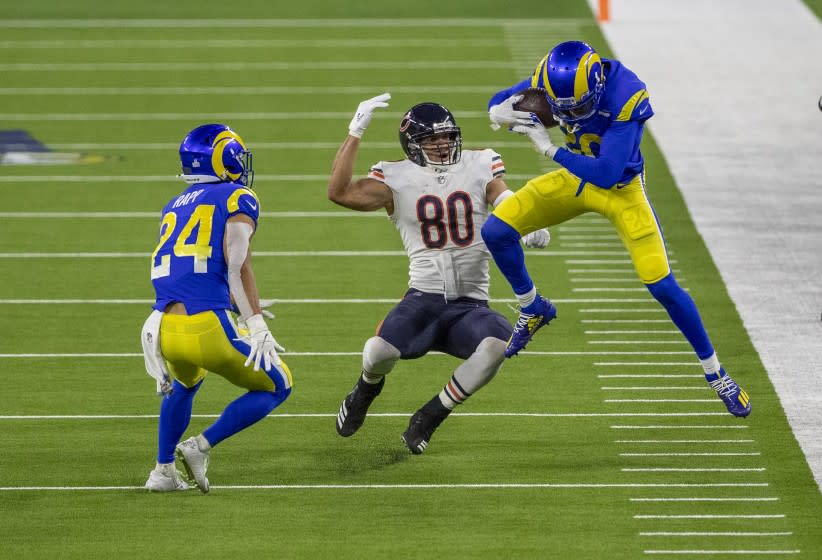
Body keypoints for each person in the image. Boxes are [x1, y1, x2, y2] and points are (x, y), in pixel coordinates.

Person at [480, 40, 751, 417]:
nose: (572, 113)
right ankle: (533, 306)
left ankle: (716, 373)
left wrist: (549, 149)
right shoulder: (552, 80)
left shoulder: (626, 92)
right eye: (565, 108)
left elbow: (607, 174)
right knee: (496, 233)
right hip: (576, 178)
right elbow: (500, 100)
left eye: (579, 105)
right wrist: (501, 110)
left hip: (621, 189)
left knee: (662, 286)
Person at [328, 94, 550, 453]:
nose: (442, 145)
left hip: (471, 305)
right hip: (423, 299)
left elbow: (502, 195)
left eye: (447, 137)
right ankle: (365, 389)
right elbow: (338, 192)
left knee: (498, 345)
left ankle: (429, 417)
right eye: (432, 139)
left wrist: (521, 220)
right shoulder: (396, 176)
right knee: (377, 352)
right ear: (413, 144)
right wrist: (356, 129)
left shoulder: (480, 163)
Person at [140, 123, 293, 492]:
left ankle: (162, 472)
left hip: (164, 327)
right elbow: (238, 264)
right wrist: (255, 322)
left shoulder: (172, 205)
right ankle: (199, 447)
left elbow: (189, 269)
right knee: (279, 385)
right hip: (207, 326)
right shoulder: (237, 195)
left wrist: (239, 304)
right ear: (222, 157)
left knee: (183, 386)